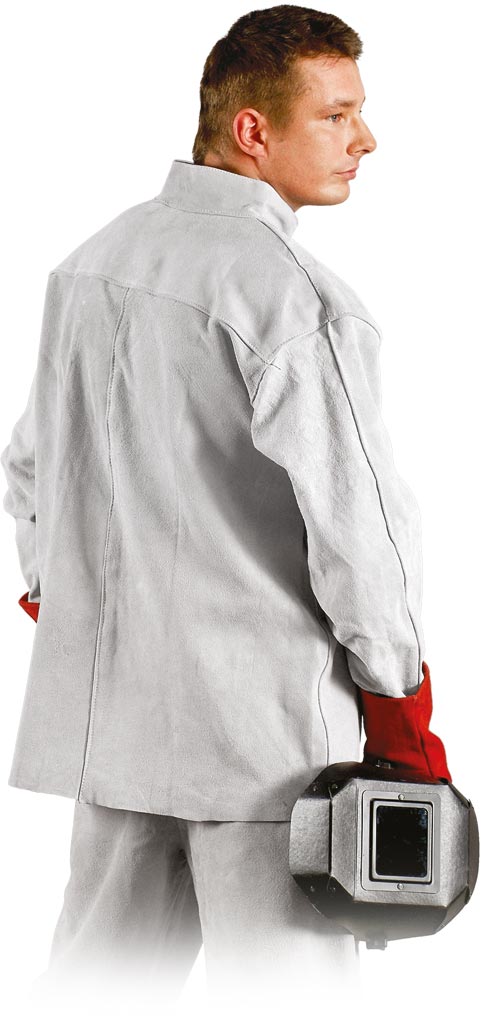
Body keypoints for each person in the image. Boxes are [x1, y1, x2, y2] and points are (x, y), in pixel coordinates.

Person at [1, 5, 451, 1018]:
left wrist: (66, 599)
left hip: (117, 728)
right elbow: (364, 531)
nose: (365, 139)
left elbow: (30, 466)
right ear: (253, 130)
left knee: (93, 999)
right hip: (267, 750)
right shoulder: (294, 297)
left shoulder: (95, 261)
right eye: (335, 115)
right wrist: (400, 711)